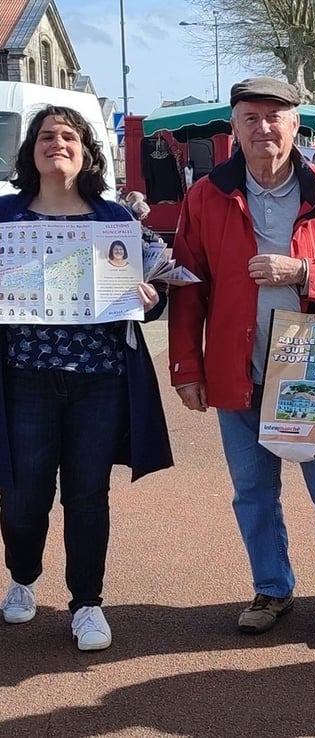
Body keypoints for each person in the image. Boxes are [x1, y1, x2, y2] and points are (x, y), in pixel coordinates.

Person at [168, 76, 315, 644]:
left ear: (295, 124)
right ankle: (272, 588)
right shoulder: (205, 196)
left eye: (274, 117)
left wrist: (303, 272)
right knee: (253, 493)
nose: (263, 128)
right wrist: (187, 367)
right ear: (234, 129)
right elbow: (187, 288)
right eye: (251, 118)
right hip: (239, 371)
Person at [0, 105, 173, 650]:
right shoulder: (5, 216)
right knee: (22, 497)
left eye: (69, 136)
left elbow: (154, 291)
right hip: (24, 376)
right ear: (31, 151)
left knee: (87, 495)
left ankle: (87, 603)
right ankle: (23, 575)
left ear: (86, 151)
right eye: (46, 136)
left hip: (99, 378)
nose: (57, 143)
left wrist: (150, 298)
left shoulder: (114, 219)